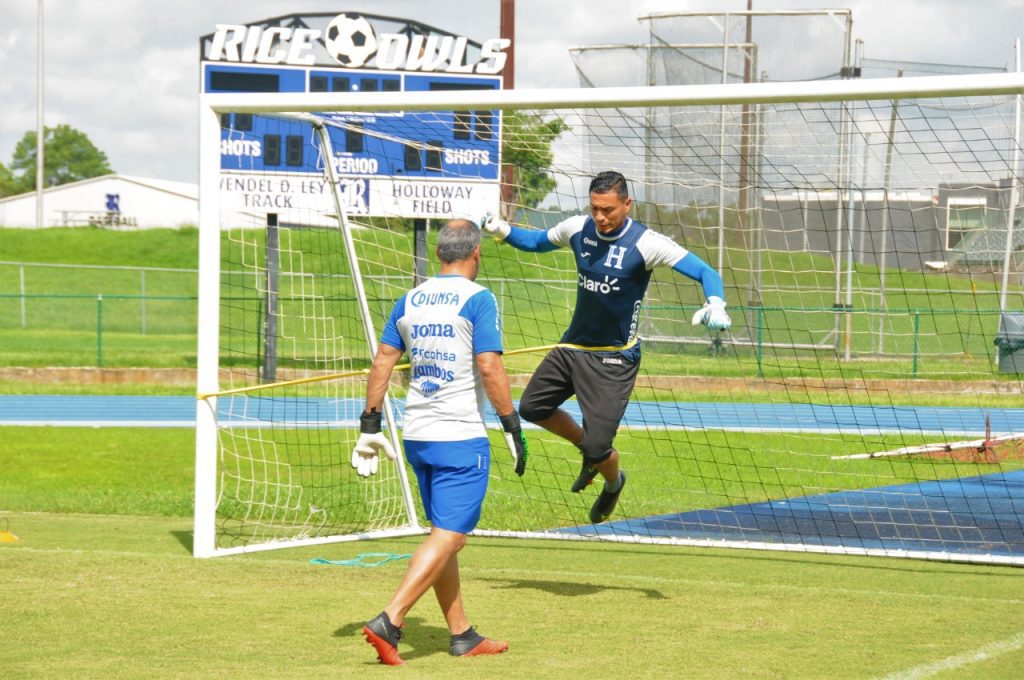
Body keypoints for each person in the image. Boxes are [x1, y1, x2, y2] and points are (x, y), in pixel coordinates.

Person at [480, 170, 730, 524]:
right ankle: (591, 452)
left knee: (601, 449)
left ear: (627, 204)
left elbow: (705, 271)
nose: (600, 217)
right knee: (532, 406)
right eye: (595, 208)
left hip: (615, 359)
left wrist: (715, 302)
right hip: (573, 348)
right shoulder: (577, 229)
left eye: (609, 210)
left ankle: (613, 482)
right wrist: (500, 229)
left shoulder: (647, 243)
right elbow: (536, 242)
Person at [351, 219, 528, 666]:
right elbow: (489, 366)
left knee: (443, 537)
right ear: (476, 255)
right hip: (459, 435)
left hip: (418, 436)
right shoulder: (479, 298)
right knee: (451, 536)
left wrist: (369, 425)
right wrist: (511, 423)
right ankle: (390, 619)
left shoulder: (410, 298)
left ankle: (462, 634)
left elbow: (382, 362)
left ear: (438, 255)